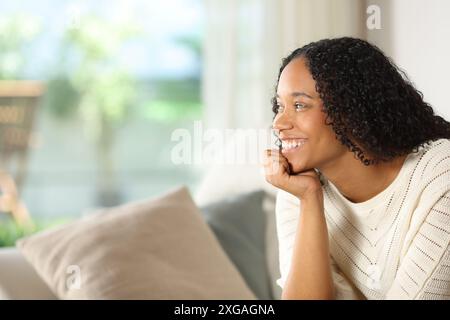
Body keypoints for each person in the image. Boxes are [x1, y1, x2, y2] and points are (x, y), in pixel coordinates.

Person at [263, 37, 450, 300]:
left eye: (299, 105)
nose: (279, 123)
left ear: (351, 110)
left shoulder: (441, 176)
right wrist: (309, 198)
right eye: (280, 107)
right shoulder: (300, 190)